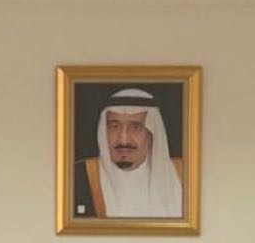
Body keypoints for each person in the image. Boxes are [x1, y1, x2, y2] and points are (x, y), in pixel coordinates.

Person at [73, 89, 182, 218]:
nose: (123, 139)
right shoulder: (77, 177)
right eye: (114, 127)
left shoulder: (183, 176)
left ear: (151, 134)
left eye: (136, 127)